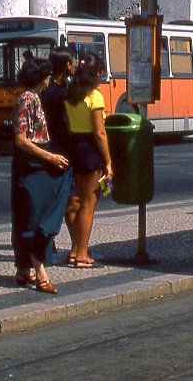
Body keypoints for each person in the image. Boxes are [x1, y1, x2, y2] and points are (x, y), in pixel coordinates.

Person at [10, 57, 71, 294]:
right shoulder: (27, 99)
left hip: (35, 163)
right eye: (46, 75)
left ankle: (23, 269)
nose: (49, 80)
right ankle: (41, 273)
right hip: (31, 165)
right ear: (40, 77)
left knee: (28, 216)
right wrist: (50, 158)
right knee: (36, 218)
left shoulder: (34, 98)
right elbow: (21, 139)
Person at [64, 52, 112, 268]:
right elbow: (100, 133)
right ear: (98, 73)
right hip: (91, 149)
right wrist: (109, 162)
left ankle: (75, 250)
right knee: (88, 204)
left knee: (78, 200)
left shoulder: (71, 95)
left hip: (75, 146)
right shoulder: (95, 96)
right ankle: (83, 254)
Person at [40, 47, 78, 244]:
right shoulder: (60, 93)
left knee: (55, 198)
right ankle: (76, 246)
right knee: (68, 198)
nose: (75, 65)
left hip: (51, 146)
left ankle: (50, 243)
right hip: (60, 148)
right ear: (65, 65)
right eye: (72, 62)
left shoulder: (49, 89)